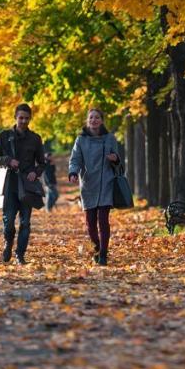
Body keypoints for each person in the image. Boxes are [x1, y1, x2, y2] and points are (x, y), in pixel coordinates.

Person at [0, 103, 48, 265]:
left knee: (25, 222)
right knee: (8, 221)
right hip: (9, 184)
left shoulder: (35, 139)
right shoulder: (4, 135)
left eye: (26, 118)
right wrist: (8, 160)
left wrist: (35, 172)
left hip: (27, 186)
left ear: (30, 119)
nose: (23, 121)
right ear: (15, 117)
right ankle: (8, 243)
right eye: (21, 118)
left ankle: (20, 254)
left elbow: (42, 163)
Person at [68, 108, 123, 266]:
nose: (94, 120)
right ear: (87, 120)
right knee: (90, 223)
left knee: (103, 220)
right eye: (91, 117)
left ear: (102, 120)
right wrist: (73, 172)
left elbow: (117, 158)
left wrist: (115, 158)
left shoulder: (109, 138)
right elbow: (75, 159)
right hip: (88, 184)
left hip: (106, 182)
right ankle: (97, 248)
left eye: (97, 117)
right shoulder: (81, 140)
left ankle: (104, 254)